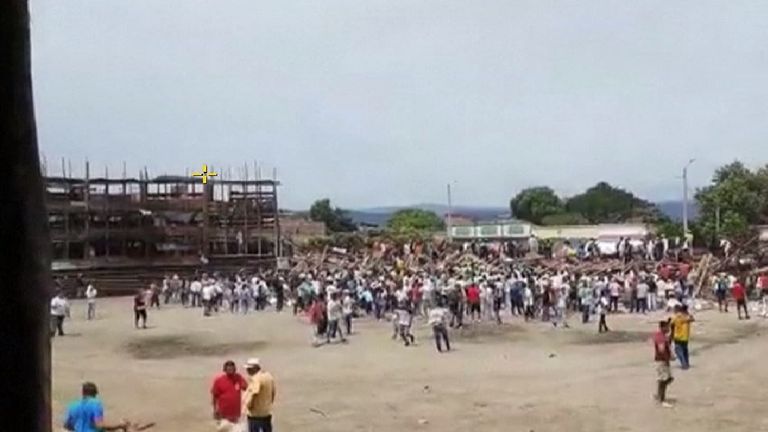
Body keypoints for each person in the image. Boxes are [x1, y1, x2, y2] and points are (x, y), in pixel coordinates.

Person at [64, 382, 129, 432]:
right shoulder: (95, 403)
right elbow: (99, 425)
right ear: (94, 393)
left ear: (83, 393)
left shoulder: (72, 405)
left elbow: (66, 425)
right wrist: (119, 425)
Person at [211, 360, 248, 432]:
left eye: (232, 369)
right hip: (223, 415)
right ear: (224, 370)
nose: (231, 370)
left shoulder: (239, 378)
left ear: (235, 369)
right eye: (228, 369)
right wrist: (215, 410)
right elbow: (214, 397)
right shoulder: (219, 381)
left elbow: (248, 389)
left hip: (236, 415)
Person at [243, 358, 276, 432]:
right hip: (267, 412)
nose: (247, 371)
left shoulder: (256, 378)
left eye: (249, 369)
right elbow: (273, 392)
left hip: (255, 415)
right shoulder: (268, 376)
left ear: (255, 368)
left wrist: (249, 406)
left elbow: (254, 393)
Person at [652, 321, 675, 408]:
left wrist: (673, 330)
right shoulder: (660, 337)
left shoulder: (662, 336)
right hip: (662, 360)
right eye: (667, 327)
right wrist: (669, 358)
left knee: (667, 379)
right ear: (662, 327)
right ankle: (661, 399)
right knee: (664, 380)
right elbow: (661, 350)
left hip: (664, 360)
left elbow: (669, 340)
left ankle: (659, 395)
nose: (668, 329)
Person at [670, 305, 694, 370]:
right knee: (685, 350)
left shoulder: (676, 317)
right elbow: (692, 319)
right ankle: (687, 363)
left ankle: (684, 364)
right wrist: (687, 313)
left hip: (677, 336)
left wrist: (671, 335)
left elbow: (671, 324)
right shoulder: (687, 316)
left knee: (678, 351)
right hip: (685, 336)